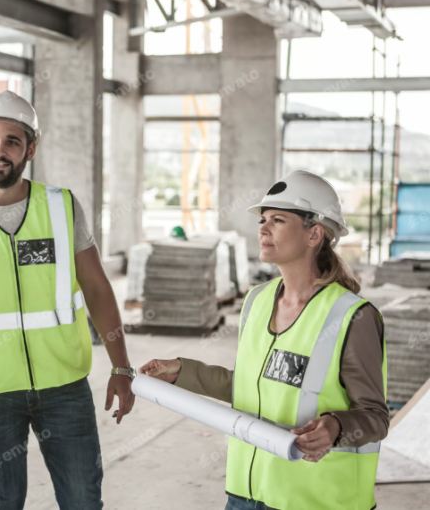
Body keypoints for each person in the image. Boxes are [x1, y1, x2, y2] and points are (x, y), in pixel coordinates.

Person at [0, 90, 135, 509]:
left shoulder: (61, 208)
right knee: (3, 504)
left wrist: (121, 365)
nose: (0, 151)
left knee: (83, 499)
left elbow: (97, 291)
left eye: (13, 141)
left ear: (30, 148)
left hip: (64, 386)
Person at [140, 170, 389, 510]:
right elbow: (250, 387)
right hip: (246, 493)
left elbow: (375, 417)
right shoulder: (257, 300)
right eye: (263, 219)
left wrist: (335, 426)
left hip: (316, 500)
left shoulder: (352, 316)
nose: (263, 229)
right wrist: (182, 372)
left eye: (278, 220)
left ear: (314, 233)